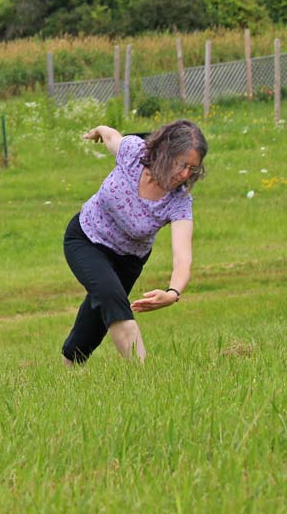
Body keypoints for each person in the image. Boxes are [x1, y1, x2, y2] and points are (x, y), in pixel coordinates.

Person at [61, 120, 207, 365]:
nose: (185, 175)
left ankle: (68, 369)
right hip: (86, 238)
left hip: (127, 262)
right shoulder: (133, 153)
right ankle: (144, 376)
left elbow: (183, 258)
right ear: (165, 152)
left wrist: (173, 292)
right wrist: (100, 129)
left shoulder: (179, 202)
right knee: (110, 296)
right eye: (182, 165)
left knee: (95, 321)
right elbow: (111, 137)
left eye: (192, 169)